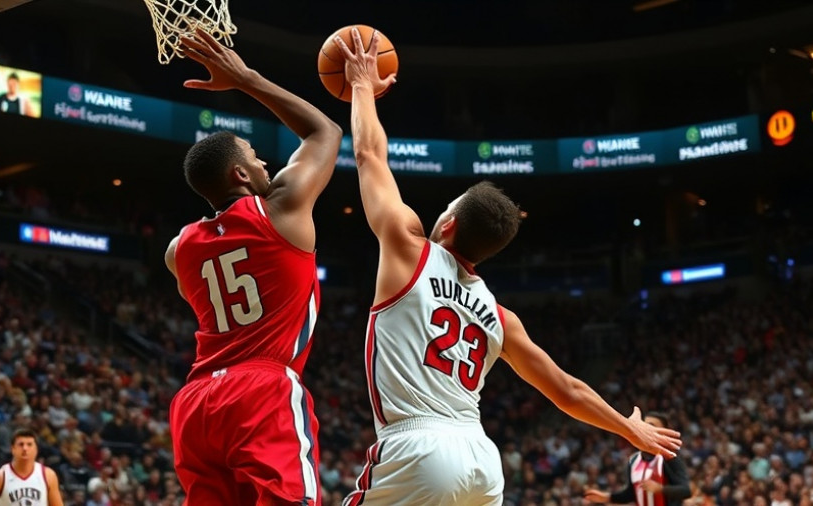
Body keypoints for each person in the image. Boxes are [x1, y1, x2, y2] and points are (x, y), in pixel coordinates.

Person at [334, 28, 683, 506]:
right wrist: (627, 427)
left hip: (418, 447)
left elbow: (369, 154)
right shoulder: (500, 317)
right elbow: (566, 389)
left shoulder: (408, 251)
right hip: (481, 458)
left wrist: (360, 84)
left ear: (448, 224)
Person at [165, 27, 342, 505]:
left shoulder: (178, 250)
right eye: (256, 158)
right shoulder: (281, 211)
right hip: (259, 388)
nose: (266, 164)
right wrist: (245, 79)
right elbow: (325, 132)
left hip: (196, 401)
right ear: (241, 174)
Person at [584, 412, 691, 506]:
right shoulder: (634, 460)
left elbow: (686, 491)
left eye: (651, 426)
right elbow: (631, 494)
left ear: (664, 432)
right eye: (644, 425)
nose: (646, 428)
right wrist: (608, 497)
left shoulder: (669, 458)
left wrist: (660, 489)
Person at [0, 428, 64, 506]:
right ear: (13, 449)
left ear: (36, 449)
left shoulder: (48, 475)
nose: (25, 448)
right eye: (21, 444)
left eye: (29, 444)